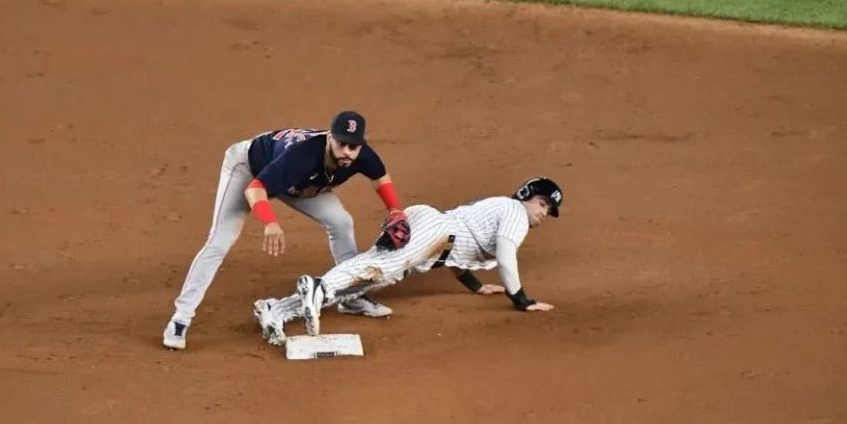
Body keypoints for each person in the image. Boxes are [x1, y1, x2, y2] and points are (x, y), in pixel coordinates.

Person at [162, 110, 408, 350]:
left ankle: (351, 296)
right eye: (342, 144)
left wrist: (395, 210)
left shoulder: (361, 155)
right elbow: (255, 189)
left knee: (341, 222)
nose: (346, 151)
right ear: (330, 138)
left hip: (299, 184)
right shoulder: (302, 156)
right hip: (250, 169)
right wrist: (270, 221)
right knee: (220, 241)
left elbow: (381, 178)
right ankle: (180, 319)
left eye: (353, 147)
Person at [253, 177, 563, 345]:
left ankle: (276, 309)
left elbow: (459, 251)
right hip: (435, 231)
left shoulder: (500, 209)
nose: (542, 212)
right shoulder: (515, 213)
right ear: (526, 195)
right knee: (380, 268)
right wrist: (521, 299)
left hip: (434, 236)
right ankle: (319, 286)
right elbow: (506, 256)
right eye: (542, 203)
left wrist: (475, 286)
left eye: (548, 210)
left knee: (370, 276)